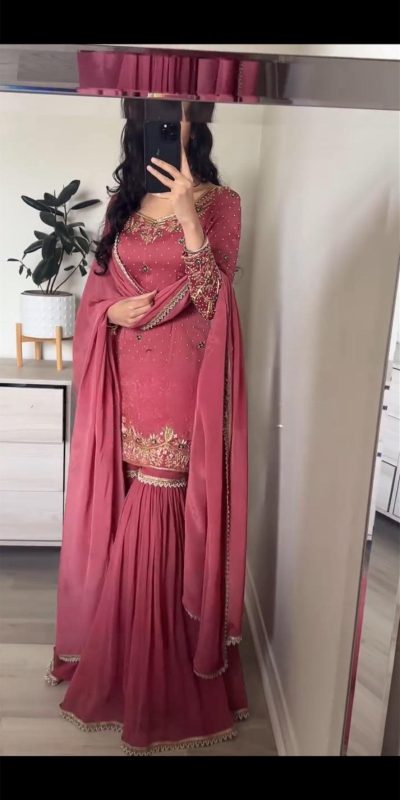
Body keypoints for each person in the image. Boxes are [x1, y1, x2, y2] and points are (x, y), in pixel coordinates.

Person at [45, 99, 249, 755]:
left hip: (183, 380)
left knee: (163, 504)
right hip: (126, 375)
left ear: (199, 128)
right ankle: (126, 657)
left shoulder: (221, 203)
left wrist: (188, 215)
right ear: (139, 128)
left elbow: (214, 299)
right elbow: (97, 297)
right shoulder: (121, 206)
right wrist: (107, 318)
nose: (170, 131)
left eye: (181, 121)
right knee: (128, 499)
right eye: (160, 121)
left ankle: (163, 674)